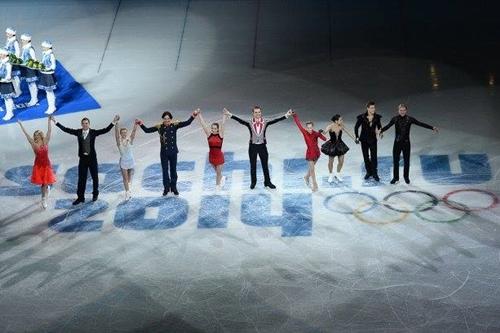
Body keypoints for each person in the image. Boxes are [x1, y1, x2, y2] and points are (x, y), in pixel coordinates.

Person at [52, 114, 119, 205]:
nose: (85, 125)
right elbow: (66, 130)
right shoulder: (78, 132)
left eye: (86, 123)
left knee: (95, 177)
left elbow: (105, 130)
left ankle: (95, 194)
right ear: (81, 124)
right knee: (81, 179)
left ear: (89, 124)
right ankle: (80, 197)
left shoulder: (93, 132)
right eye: (83, 123)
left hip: (92, 159)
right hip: (83, 159)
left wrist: (113, 122)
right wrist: (55, 122)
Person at [224, 106, 292, 189]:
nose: (257, 114)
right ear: (253, 113)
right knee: (253, 165)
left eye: (259, 112)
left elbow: (275, 120)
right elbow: (240, 120)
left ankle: (267, 182)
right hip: (252, 147)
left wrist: (286, 115)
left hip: (262, 146)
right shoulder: (249, 123)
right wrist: (230, 115)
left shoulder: (265, 122)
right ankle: (253, 182)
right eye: (256, 112)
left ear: (261, 112)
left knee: (265, 165)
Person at [136, 109, 199, 196]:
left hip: (173, 152)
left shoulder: (175, 125)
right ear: (163, 119)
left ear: (171, 119)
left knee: (173, 170)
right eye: (165, 118)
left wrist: (193, 115)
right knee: (165, 171)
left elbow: (187, 123)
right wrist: (140, 124)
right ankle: (166, 188)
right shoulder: (159, 127)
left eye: (168, 118)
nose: (167, 120)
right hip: (164, 153)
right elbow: (147, 130)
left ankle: (173, 187)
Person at [380, 103, 439, 184]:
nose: (402, 112)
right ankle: (395, 177)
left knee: (407, 161)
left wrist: (432, 127)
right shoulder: (395, 119)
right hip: (397, 143)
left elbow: (420, 124)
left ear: (406, 110)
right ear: (398, 110)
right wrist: (380, 131)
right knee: (396, 161)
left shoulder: (410, 119)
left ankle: (406, 177)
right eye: (401, 110)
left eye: (404, 110)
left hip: (406, 143)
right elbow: (388, 126)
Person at [17, 117, 56, 209]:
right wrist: (20, 124)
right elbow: (26, 134)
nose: (35, 136)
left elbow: (49, 131)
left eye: (37, 135)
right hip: (39, 166)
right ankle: (44, 196)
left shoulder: (45, 141)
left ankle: (44, 197)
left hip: (46, 165)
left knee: (45, 183)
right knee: (43, 184)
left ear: (40, 135)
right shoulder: (33, 144)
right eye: (35, 135)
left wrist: (49, 121)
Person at [292, 111, 327, 192]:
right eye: (308, 127)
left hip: (317, 153)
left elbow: (325, 139)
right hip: (310, 154)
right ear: (306, 127)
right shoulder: (304, 132)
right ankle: (315, 185)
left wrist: (321, 133)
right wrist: (295, 116)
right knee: (312, 170)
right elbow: (298, 125)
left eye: (311, 127)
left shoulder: (315, 133)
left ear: (313, 127)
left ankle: (307, 177)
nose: (309, 129)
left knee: (311, 169)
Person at [196, 108, 227, 190]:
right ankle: (222, 178)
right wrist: (199, 115)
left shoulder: (220, 135)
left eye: (215, 128)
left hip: (219, 157)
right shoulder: (209, 135)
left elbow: (223, 124)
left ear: (217, 129)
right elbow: (203, 125)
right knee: (217, 172)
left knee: (218, 173)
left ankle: (217, 187)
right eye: (212, 128)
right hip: (211, 157)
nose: (213, 130)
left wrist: (224, 115)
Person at [321, 114, 356, 183]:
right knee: (331, 162)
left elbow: (349, 132)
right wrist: (322, 131)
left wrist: (355, 139)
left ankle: (338, 173)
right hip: (332, 145)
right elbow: (324, 133)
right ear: (336, 121)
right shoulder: (330, 126)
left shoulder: (341, 126)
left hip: (340, 145)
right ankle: (331, 174)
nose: (342, 121)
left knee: (341, 161)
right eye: (340, 120)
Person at [354, 101, 382, 181]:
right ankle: (368, 172)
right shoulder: (362, 117)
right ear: (368, 108)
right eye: (372, 108)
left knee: (374, 157)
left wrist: (380, 132)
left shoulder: (377, 117)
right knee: (366, 157)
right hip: (364, 140)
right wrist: (357, 137)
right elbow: (356, 127)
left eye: (374, 107)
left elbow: (379, 127)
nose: (373, 109)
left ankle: (375, 173)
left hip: (373, 140)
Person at [114, 119, 139, 201]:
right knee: (125, 178)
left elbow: (134, 132)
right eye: (122, 132)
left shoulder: (130, 140)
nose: (124, 133)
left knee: (129, 177)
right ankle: (127, 192)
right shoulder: (119, 142)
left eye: (125, 132)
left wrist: (135, 124)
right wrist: (116, 124)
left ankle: (128, 186)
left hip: (131, 161)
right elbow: (116, 135)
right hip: (124, 162)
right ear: (121, 134)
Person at [38, 41, 57, 115]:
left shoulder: (51, 55)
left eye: (43, 47)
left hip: (49, 75)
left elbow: (53, 66)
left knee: (49, 92)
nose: (42, 48)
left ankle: (52, 107)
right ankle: (51, 106)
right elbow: (43, 63)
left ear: (48, 47)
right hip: (44, 74)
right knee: (47, 92)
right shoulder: (45, 54)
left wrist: (46, 68)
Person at [20, 33, 38, 106]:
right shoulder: (24, 48)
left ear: (27, 40)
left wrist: (28, 64)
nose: (22, 41)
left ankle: (35, 99)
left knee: (32, 84)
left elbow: (34, 60)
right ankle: (32, 98)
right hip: (26, 68)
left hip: (30, 69)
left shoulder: (30, 49)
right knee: (29, 84)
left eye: (23, 40)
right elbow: (23, 57)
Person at [4, 27, 21, 97]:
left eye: (8, 33)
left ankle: (18, 91)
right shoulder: (8, 40)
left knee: (15, 77)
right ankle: (13, 90)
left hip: (13, 61)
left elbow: (17, 52)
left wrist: (13, 59)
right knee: (10, 77)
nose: (6, 34)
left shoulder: (15, 42)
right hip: (7, 61)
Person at [0, 48, 15, 121]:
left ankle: (10, 113)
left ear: (5, 55)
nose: (0, 55)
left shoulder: (8, 63)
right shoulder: (1, 62)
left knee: (8, 99)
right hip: (2, 83)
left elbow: (8, 76)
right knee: (6, 99)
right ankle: (8, 112)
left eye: (1, 54)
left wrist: (2, 79)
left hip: (6, 84)